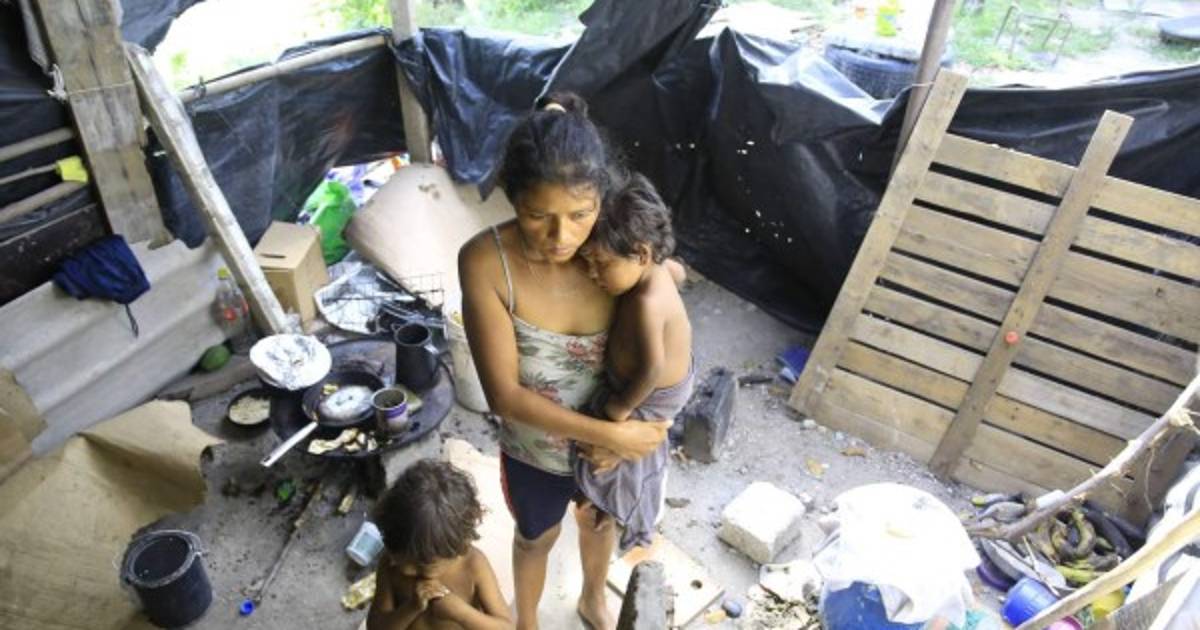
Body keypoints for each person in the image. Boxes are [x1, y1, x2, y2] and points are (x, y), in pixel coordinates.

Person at [458, 92, 672, 630]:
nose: (563, 237)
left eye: (580, 215)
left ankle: (592, 598)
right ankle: (527, 620)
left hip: (610, 445)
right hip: (536, 448)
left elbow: (670, 280)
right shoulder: (486, 262)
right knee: (536, 536)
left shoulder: (615, 247)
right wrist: (614, 436)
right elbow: (504, 395)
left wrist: (628, 431)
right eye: (538, 216)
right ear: (512, 198)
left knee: (598, 522)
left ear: (602, 197)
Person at [577, 173, 694, 552]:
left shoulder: (646, 304)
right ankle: (606, 505)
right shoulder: (659, 269)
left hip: (650, 394)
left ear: (642, 254)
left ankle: (623, 511)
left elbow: (652, 369)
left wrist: (621, 408)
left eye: (601, 264)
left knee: (615, 457)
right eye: (588, 263)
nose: (593, 274)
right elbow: (679, 273)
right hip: (652, 380)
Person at [367, 459, 513, 630]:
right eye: (395, 554)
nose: (403, 568)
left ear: (458, 549)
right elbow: (375, 627)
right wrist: (411, 608)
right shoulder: (391, 564)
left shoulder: (473, 565)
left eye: (422, 564)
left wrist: (461, 613)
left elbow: (506, 627)